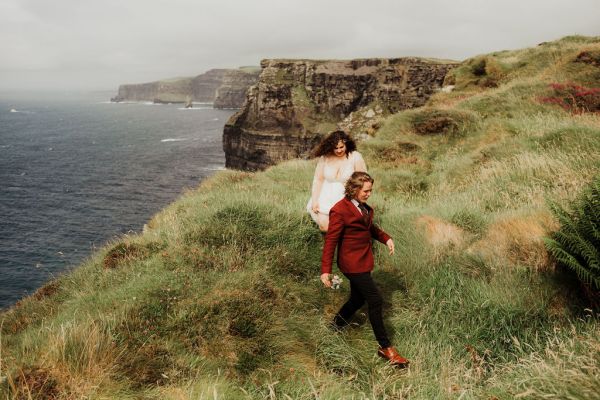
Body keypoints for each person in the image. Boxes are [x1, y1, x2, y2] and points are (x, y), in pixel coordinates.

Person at [320, 172, 410, 367]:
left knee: (357, 299)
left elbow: (368, 228)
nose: (369, 194)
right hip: (351, 264)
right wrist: (325, 270)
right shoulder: (339, 210)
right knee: (375, 300)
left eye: (371, 190)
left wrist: (386, 238)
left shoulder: (363, 208)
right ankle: (385, 348)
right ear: (354, 189)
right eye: (366, 190)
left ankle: (334, 328)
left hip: (363, 261)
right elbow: (331, 241)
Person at [307, 130, 367, 232]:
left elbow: (363, 180)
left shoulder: (355, 156)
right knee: (325, 227)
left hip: (346, 198)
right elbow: (318, 180)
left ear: (346, 144)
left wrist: (359, 200)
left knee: (345, 228)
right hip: (325, 198)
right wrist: (315, 200)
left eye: (341, 147)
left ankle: (340, 245)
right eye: (336, 148)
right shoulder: (325, 157)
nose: (339, 150)